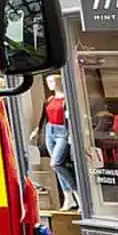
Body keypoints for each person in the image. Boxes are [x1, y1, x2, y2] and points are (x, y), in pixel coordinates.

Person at [44, 80, 79, 212]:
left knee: (56, 163)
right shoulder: (50, 99)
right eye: (48, 81)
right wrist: (37, 131)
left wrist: (71, 134)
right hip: (50, 131)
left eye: (52, 81)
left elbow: (71, 119)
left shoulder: (67, 99)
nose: (50, 84)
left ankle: (78, 195)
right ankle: (68, 197)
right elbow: (45, 117)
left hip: (62, 131)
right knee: (58, 167)